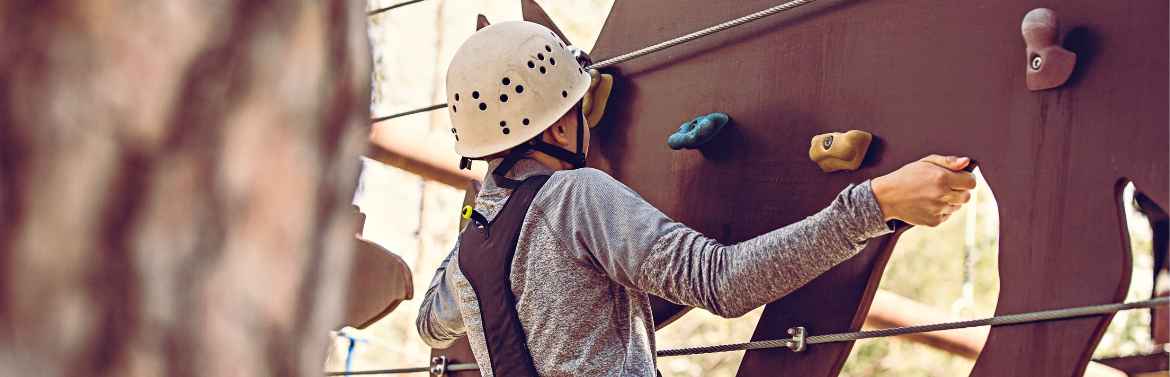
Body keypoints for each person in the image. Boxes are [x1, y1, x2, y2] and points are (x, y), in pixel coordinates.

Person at [417, 21, 976, 377]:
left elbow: (431, 324)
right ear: (562, 129)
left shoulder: (471, 245)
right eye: (578, 110)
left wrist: (479, 213)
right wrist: (876, 203)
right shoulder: (573, 196)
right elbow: (720, 282)